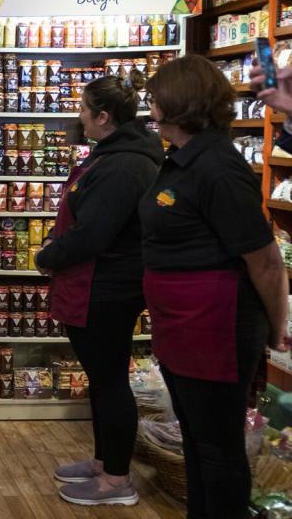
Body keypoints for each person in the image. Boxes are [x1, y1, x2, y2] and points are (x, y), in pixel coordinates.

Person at [140, 54, 290, 518]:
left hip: (215, 329)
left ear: (181, 104)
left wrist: (276, 326)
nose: (151, 109)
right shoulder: (184, 158)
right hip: (185, 327)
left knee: (218, 449)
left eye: (157, 100)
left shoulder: (219, 169)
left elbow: (265, 261)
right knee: (199, 443)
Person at [33, 72, 163, 507]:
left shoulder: (125, 165)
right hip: (97, 283)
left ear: (103, 116)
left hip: (107, 287)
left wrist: (47, 255)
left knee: (110, 382)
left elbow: (95, 234)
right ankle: (104, 461)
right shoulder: (114, 154)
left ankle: (117, 482)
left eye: (85, 109)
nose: (79, 117)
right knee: (102, 380)